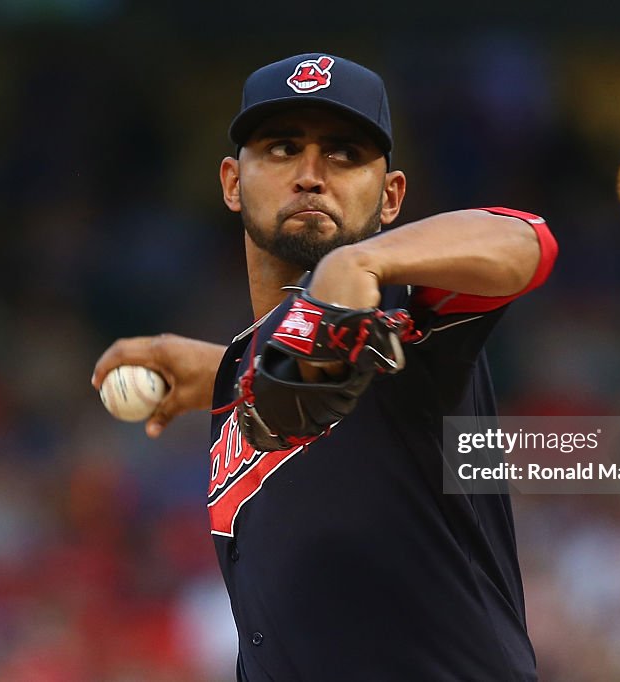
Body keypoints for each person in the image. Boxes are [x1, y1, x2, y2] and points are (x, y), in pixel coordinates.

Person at [92, 53, 557, 681]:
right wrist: (217, 368)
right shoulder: (253, 370)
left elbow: (526, 239)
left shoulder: (405, 315)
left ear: (391, 195)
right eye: (282, 149)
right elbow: (292, 375)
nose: (311, 175)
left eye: (343, 154)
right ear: (232, 182)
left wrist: (356, 266)